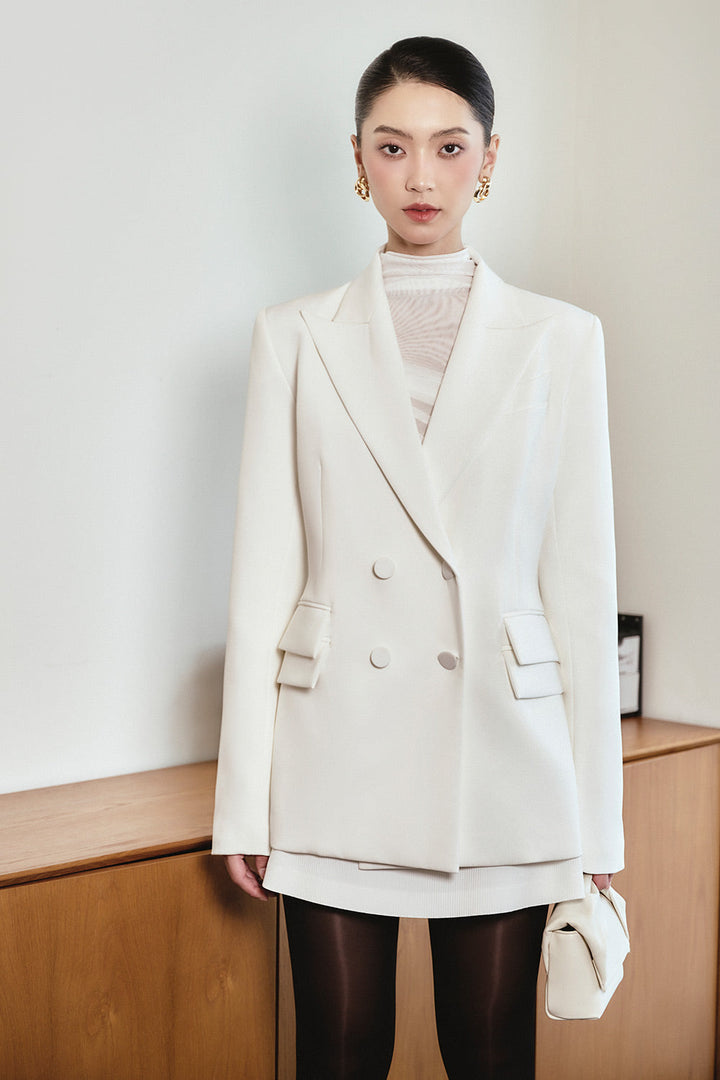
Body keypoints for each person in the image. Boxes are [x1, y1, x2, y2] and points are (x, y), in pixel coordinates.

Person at [212, 36, 624, 1080]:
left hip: (505, 760)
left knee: (489, 1055)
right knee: (338, 1052)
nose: (422, 176)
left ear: (490, 157)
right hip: (331, 754)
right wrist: (243, 804)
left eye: (450, 146)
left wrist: (599, 828)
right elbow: (263, 583)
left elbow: (581, 590)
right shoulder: (294, 335)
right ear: (358, 158)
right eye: (393, 147)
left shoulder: (561, 339)